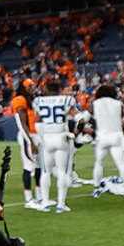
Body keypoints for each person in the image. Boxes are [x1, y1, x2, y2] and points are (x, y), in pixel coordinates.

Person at [32, 80, 76, 213]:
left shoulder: (39, 101)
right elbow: (77, 116)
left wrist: (42, 137)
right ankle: (60, 204)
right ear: (59, 90)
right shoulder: (66, 100)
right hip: (62, 137)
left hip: (47, 139)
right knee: (62, 171)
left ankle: (45, 202)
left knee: (46, 171)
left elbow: (37, 121)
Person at [90, 84, 124, 199]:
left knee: (99, 164)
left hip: (102, 138)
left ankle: (96, 189)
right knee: (122, 164)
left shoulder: (95, 104)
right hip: (116, 137)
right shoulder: (118, 104)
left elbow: (84, 117)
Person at [11, 81, 43, 209]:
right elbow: (21, 123)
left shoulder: (31, 100)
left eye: (33, 85)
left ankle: (40, 196)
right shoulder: (20, 99)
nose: (32, 88)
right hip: (27, 137)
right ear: (23, 88)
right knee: (28, 167)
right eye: (29, 86)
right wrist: (30, 141)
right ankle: (28, 199)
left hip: (36, 135)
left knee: (39, 167)